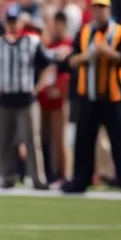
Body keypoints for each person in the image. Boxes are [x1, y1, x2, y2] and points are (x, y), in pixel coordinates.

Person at [64, 0, 121, 194]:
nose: (99, 11)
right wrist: (86, 56)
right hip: (88, 95)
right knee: (83, 141)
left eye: (102, 7)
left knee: (120, 141)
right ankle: (80, 181)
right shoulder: (84, 32)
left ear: (108, 10)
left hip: (113, 96)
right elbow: (71, 60)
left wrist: (107, 53)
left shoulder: (120, 33)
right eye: (95, 7)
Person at [0, 5, 51, 189]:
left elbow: (46, 64)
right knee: (5, 140)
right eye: (10, 21)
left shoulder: (32, 41)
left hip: (26, 99)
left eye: (15, 21)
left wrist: (39, 87)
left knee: (32, 141)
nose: (12, 25)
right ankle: (6, 177)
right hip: (4, 99)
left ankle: (38, 178)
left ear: (21, 23)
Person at [39, 12, 74, 187]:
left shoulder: (67, 45)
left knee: (60, 137)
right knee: (46, 136)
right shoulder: (47, 44)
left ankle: (65, 174)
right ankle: (49, 173)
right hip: (45, 94)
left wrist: (61, 90)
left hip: (59, 96)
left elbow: (67, 71)